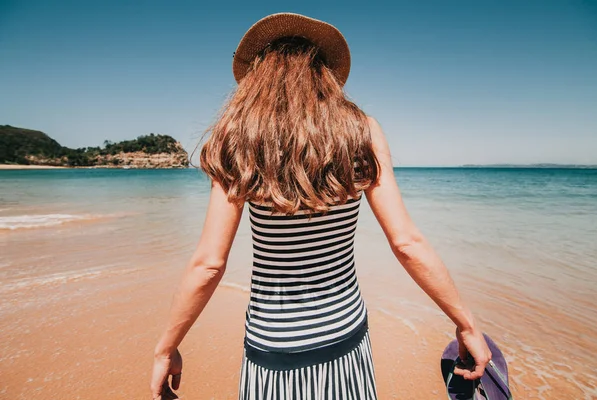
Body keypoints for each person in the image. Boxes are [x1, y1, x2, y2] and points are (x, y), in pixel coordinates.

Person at [150, 12, 492, 400]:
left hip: (271, 349)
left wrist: (167, 346)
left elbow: (209, 263)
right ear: (326, 72)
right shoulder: (361, 131)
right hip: (345, 339)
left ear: (258, 74)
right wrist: (465, 324)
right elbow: (407, 243)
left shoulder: (239, 138)